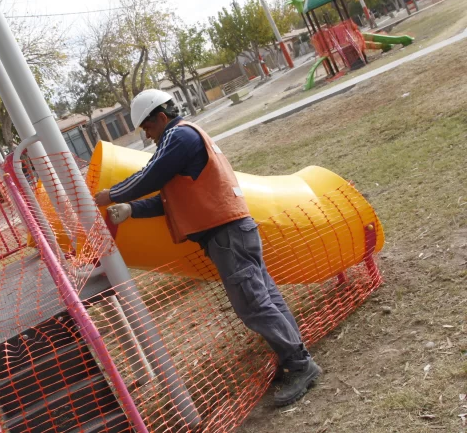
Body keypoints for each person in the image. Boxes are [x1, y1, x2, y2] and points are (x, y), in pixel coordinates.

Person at [94, 89, 321, 407]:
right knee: (264, 298)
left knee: (254, 305)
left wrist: (111, 194)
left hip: (226, 236)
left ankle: (300, 365)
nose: (146, 136)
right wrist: (133, 210)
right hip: (233, 233)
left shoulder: (179, 137)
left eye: (147, 128)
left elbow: (150, 177)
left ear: (161, 117)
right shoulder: (182, 140)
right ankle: (295, 358)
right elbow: (172, 197)